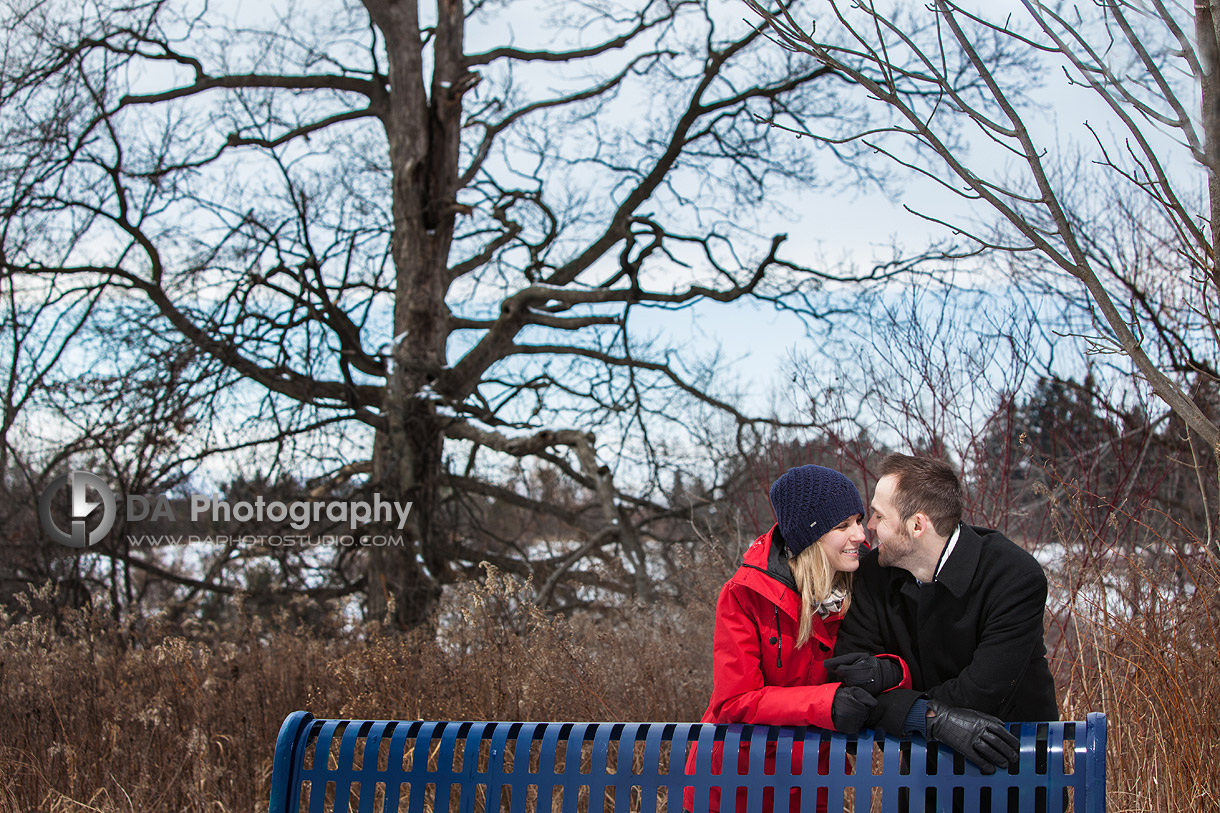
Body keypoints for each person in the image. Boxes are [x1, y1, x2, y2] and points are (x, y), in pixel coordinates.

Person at [684, 464, 911, 813]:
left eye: (857, 520)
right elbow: (734, 700)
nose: (861, 536)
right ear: (811, 537)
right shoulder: (746, 595)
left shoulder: (866, 585)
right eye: (842, 526)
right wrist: (826, 704)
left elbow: (898, 658)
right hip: (735, 781)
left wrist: (890, 672)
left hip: (812, 782)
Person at [829, 453, 1055, 778]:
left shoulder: (1012, 576)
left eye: (879, 516)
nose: (870, 529)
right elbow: (850, 678)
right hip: (924, 771)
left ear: (917, 525)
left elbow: (980, 693)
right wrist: (926, 716)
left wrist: (904, 707)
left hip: (1012, 766)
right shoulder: (873, 576)